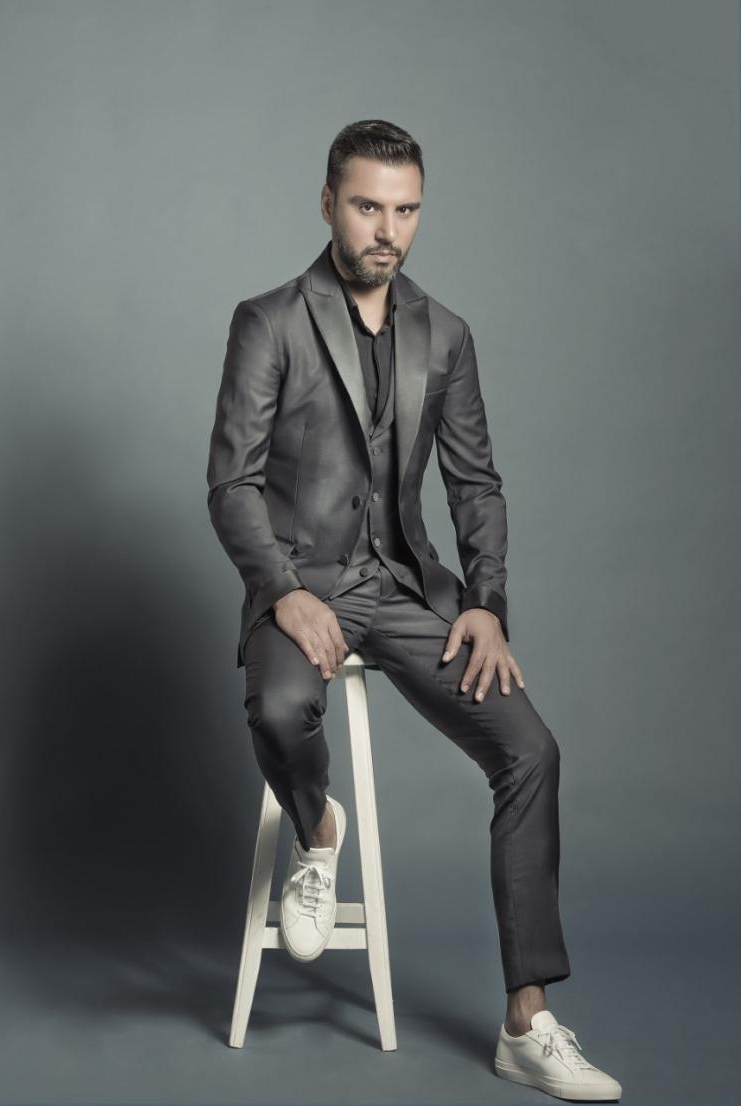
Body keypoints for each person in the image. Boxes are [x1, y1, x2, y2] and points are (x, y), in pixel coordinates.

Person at [206, 119, 622, 1101]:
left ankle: (526, 1023)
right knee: (278, 709)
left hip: (404, 586)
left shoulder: (447, 334)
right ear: (327, 204)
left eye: (405, 210)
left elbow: (475, 483)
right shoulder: (268, 320)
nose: (386, 230)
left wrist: (486, 602)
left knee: (531, 751)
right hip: (301, 582)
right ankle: (317, 831)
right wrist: (283, 589)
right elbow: (231, 484)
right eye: (366, 207)